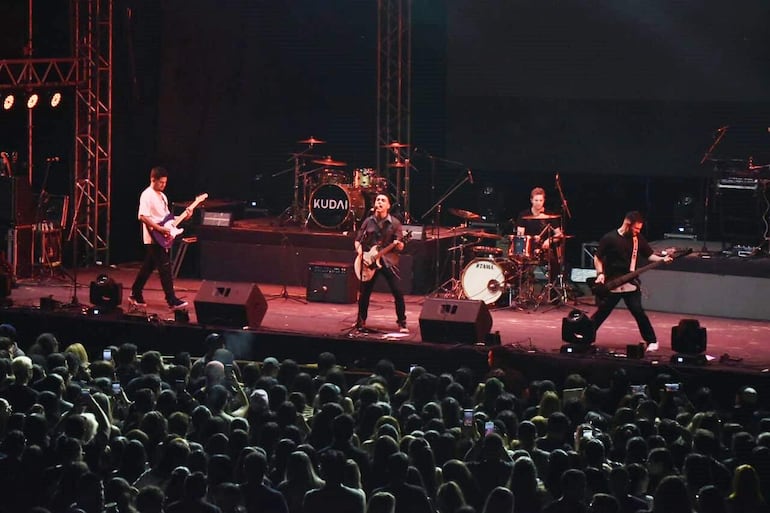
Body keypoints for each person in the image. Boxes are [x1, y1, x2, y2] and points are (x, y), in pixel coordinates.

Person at [591, 211, 672, 352]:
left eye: (639, 229)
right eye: (636, 228)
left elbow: (649, 255)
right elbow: (597, 257)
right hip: (613, 282)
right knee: (602, 312)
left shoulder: (637, 239)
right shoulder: (609, 238)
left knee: (638, 311)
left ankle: (652, 341)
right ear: (627, 224)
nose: (637, 231)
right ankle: (587, 336)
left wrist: (662, 260)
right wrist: (600, 274)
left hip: (630, 282)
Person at [129, 166, 190, 310]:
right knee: (165, 268)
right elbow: (142, 216)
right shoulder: (147, 195)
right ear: (153, 180)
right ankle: (171, 300)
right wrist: (159, 229)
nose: (163, 185)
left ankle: (135, 292)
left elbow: (167, 219)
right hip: (153, 236)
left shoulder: (163, 196)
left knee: (148, 267)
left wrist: (185, 216)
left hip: (162, 236)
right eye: (161, 182)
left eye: (165, 182)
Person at [354, 193, 408, 332]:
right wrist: (360, 254)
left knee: (397, 291)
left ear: (388, 206)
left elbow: (400, 245)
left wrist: (399, 245)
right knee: (364, 293)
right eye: (377, 200)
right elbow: (358, 240)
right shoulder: (368, 221)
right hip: (370, 261)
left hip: (387, 260)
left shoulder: (395, 223)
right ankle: (361, 320)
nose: (379, 202)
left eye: (383, 200)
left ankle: (402, 322)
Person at [514, 187, 564, 285]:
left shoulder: (550, 215)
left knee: (555, 264)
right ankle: (520, 287)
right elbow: (520, 235)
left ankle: (552, 287)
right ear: (531, 200)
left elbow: (559, 234)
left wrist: (549, 240)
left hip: (544, 249)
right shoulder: (524, 215)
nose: (538, 203)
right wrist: (532, 240)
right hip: (528, 249)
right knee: (518, 263)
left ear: (544, 200)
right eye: (536, 200)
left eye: (541, 200)